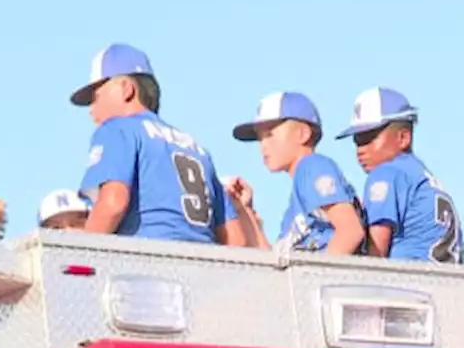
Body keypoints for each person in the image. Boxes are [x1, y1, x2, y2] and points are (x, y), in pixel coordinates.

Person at [70, 43, 243, 246]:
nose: (92, 110)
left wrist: (78, 251)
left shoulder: (117, 129)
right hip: (204, 267)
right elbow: (235, 238)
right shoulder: (197, 148)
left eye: (96, 97)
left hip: (147, 262)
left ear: (126, 89)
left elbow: (113, 202)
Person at [224, 91, 366, 255]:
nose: (263, 145)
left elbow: (350, 232)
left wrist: (316, 278)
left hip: (331, 279)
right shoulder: (294, 210)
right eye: (260, 137)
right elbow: (272, 263)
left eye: (270, 134)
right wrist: (244, 209)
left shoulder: (312, 166)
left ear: (303, 134)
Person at [335, 86, 464, 263]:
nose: (361, 149)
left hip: (408, 284)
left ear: (403, 138)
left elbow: (375, 257)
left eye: (368, 137)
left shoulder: (386, 173)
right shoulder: (421, 176)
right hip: (445, 283)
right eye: (357, 140)